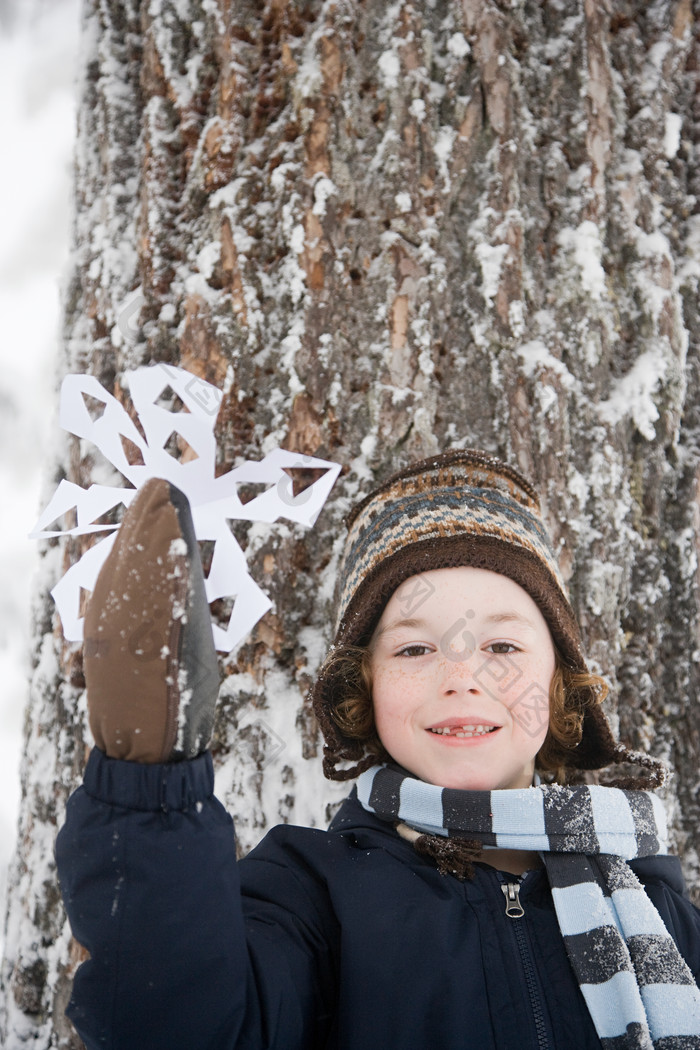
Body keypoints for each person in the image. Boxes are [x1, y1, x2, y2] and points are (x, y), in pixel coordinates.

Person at [56, 449, 700, 1050]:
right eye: (415, 649)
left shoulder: (656, 904)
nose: (462, 676)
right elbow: (186, 1019)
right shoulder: (312, 897)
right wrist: (148, 779)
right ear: (361, 687)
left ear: (560, 682)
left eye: (503, 647)